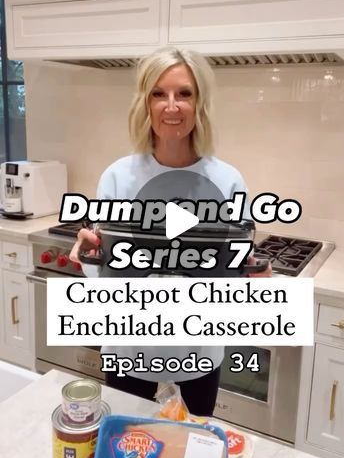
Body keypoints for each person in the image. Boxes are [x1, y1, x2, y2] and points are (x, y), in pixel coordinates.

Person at [70, 47, 271, 416]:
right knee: (129, 449)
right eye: (158, 94)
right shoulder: (118, 177)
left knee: (193, 455)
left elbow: (231, 277)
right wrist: (89, 256)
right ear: (144, 104)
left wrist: (253, 278)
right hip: (129, 349)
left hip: (198, 351)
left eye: (184, 93)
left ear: (200, 104)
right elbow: (106, 276)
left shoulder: (227, 181)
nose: (171, 105)